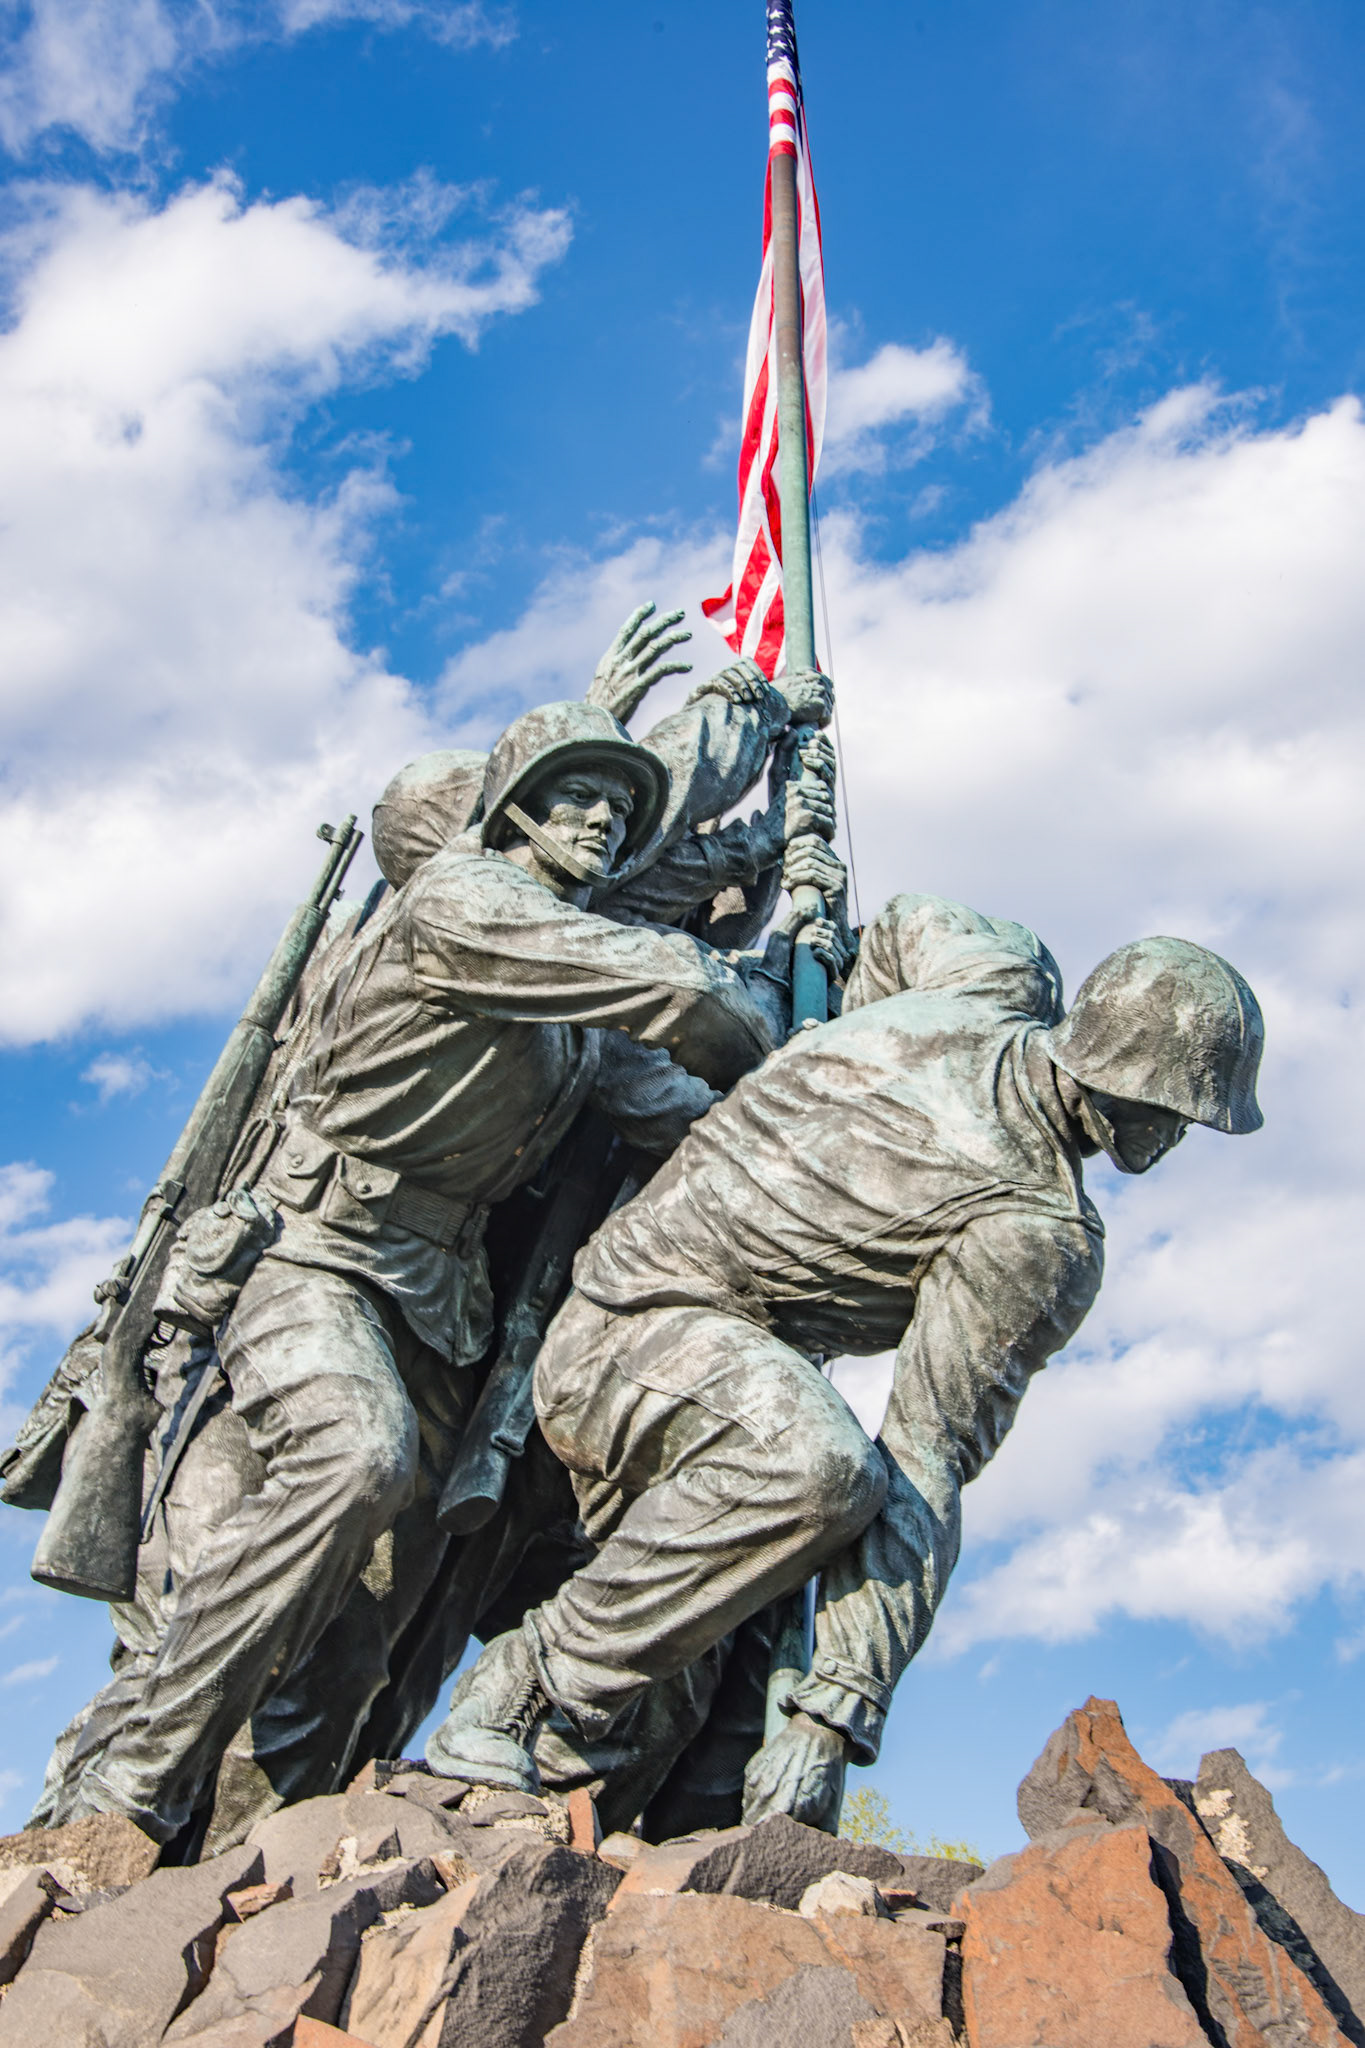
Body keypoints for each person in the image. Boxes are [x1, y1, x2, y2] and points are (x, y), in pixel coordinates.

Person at [49, 701, 778, 1847]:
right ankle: (128, 1781)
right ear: (514, 809)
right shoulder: (462, 902)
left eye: (622, 804)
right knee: (354, 1456)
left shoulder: (574, 1016)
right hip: (318, 1252)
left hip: (440, 1310)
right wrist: (742, 920)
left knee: (358, 1640)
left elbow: (695, 1116)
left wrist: (821, 1038)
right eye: (578, 794)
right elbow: (681, 989)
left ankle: (246, 1861)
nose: (605, 817)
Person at [425, 893, 1264, 1830]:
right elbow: (923, 1461)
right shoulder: (1033, 1232)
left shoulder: (995, 973)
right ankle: (527, 1678)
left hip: (693, 1365)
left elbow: (908, 919)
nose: (1183, 1133)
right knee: (815, 1470)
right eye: (1180, 1110)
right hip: (638, 1342)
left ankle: (538, 1835)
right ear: (1127, 1084)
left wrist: (840, 1032)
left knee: (677, 1712)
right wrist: (838, 1710)